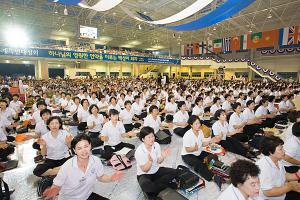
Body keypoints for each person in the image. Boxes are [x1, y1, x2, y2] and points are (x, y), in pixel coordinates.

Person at [43, 134, 124, 200]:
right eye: (79, 148)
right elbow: (57, 185)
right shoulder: (67, 166)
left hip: (86, 196)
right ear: (74, 150)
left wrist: (111, 178)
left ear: (90, 146)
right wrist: (53, 191)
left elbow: (101, 176)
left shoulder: (95, 161)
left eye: (86, 146)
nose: (84, 151)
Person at [135, 126, 178, 198]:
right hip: (144, 174)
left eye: (152, 136)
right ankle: (166, 185)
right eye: (149, 137)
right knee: (146, 186)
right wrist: (150, 162)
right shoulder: (139, 151)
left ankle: (156, 187)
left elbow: (159, 161)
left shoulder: (156, 145)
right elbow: (145, 169)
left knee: (175, 172)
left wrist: (163, 156)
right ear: (143, 139)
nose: (152, 139)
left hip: (156, 170)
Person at [181, 115, 223, 189]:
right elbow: (187, 149)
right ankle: (213, 177)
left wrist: (210, 141)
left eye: (199, 123)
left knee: (213, 156)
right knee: (199, 164)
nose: (198, 125)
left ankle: (216, 168)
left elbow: (202, 143)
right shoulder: (187, 135)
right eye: (196, 124)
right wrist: (194, 148)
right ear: (191, 125)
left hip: (198, 151)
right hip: (188, 155)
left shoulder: (200, 131)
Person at [256, 135, 300, 200]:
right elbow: (268, 192)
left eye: (282, 148)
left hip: (282, 193)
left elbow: (283, 175)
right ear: (270, 152)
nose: (284, 151)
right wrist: (290, 186)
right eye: (280, 149)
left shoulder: (278, 160)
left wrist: (297, 175)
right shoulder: (263, 167)